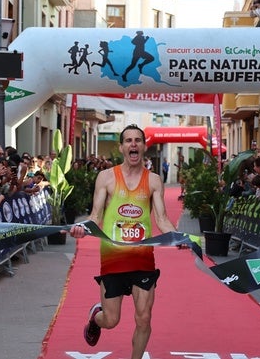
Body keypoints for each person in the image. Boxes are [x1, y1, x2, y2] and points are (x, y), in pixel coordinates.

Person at [69, 124, 177, 359]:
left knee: (144, 317)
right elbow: (95, 216)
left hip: (142, 258)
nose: (133, 144)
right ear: (121, 147)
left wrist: (179, 236)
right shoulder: (106, 177)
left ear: (144, 146)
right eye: (128, 140)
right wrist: (82, 228)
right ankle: (95, 318)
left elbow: (162, 219)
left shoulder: (154, 180)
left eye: (138, 140)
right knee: (111, 320)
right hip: (113, 259)